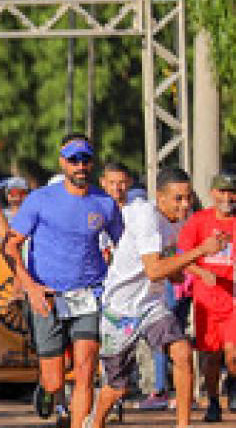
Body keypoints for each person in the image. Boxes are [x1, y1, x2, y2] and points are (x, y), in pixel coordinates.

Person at [3, 134, 123, 428]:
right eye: (73, 160)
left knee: (85, 371)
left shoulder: (105, 203)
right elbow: (10, 245)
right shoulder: (41, 199)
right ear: (62, 163)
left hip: (88, 294)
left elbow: (125, 246)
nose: (80, 166)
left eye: (85, 160)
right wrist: (29, 286)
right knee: (55, 379)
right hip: (48, 295)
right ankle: (47, 390)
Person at [88, 168, 216, 428]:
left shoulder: (180, 217)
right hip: (120, 309)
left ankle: (183, 425)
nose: (185, 204)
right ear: (160, 198)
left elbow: (167, 254)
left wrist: (190, 271)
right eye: (178, 198)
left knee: (181, 352)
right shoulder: (146, 217)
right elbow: (154, 269)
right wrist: (201, 251)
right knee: (118, 388)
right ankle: (94, 422)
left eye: (188, 197)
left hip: (151, 304)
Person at [178, 170, 236, 422]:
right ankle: (213, 401)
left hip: (233, 300)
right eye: (222, 191)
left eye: (231, 192)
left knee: (233, 355)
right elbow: (181, 256)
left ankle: (233, 384)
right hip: (206, 301)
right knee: (211, 357)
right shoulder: (199, 221)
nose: (227, 197)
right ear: (213, 193)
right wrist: (201, 272)